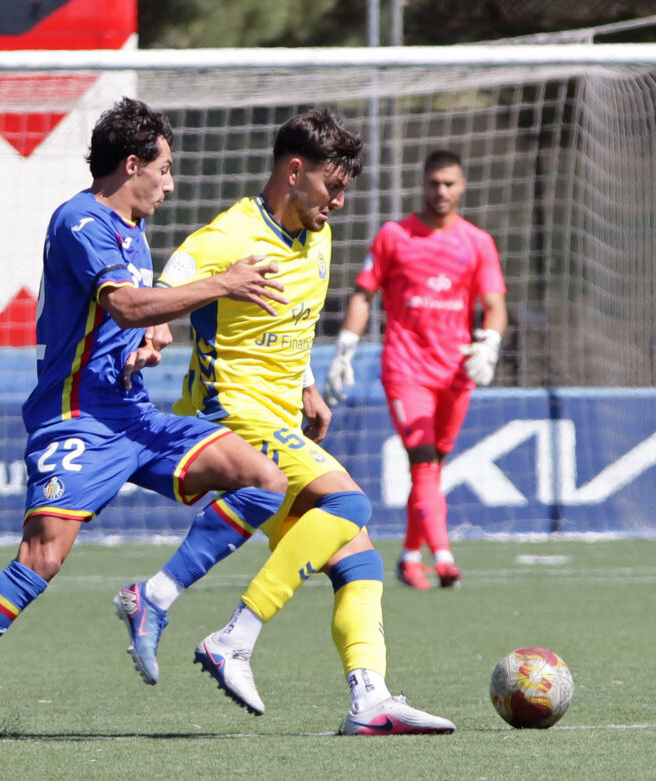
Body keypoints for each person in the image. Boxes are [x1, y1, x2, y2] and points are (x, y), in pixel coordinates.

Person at [0, 97, 293, 745]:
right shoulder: (80, 220)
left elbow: (127, 316)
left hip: (132, 414)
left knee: (262, 480)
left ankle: (153, 596)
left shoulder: (133, 230)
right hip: (75, 418)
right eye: (164, 169)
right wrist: (218, 285)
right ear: (131, 164)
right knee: (40, 558)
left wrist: (145, 340)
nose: (171, 182)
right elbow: (128, 304)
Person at [113, 109, 455, 736]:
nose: (340, 201)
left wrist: (307, 386)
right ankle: (233, 639)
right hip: (231, 416)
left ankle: (369, 698)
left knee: (359, 560)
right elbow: (171, 280)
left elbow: (289, 329)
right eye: (333, 186)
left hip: (281, 420)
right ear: (294, 172)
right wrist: (158, 325)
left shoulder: (316, 234)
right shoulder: (230, 234)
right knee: (351, 505)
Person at [324, 149, 508, 590]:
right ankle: (443, 558)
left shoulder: (477, 242)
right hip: (406, 368)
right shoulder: (394, 236)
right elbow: (364, 294)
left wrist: (491, 344)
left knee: (433, 466)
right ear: (421, 185)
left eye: (449, 184)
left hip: (457, 373)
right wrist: (345, 346)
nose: (441, 192)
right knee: (424, 462)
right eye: (434, 183)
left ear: (462, 186)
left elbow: (496, 306)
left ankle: (409, 557)